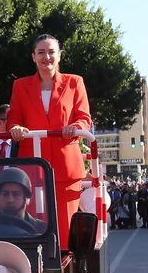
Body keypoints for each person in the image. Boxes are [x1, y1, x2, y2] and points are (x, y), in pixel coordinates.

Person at [7, 34, 93, 246]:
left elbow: (84, 118)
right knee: (33, 224)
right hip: (32, 165)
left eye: (51, 52)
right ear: (33, 57)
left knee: (65, 226)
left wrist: (76, 128)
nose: (47, 57)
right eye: (41, 52)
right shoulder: (20, 85)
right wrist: (15, 127)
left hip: (66, 167)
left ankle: (65, 272)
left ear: (60, 55)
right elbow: (14, 119)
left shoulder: (75, 82)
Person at [0, 167, 45, 232]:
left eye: (16, 194)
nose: (10, 200)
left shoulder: (41, 230)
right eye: (5, 194)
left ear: (27, 199)